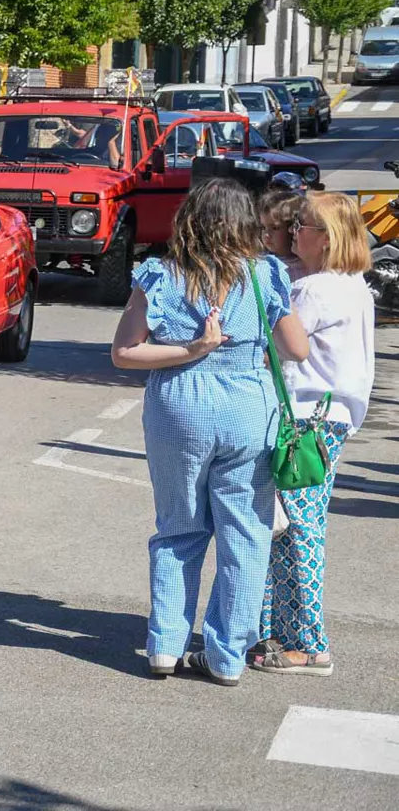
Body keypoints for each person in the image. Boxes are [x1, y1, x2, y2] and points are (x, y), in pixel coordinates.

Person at [111, 178, 309, 686]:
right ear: (245, 223)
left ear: (188, 221)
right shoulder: (265, 275)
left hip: (179, 405)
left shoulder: (160, 274)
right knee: (245, 534)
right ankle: (225, 657)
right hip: (248, 408)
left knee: (178, 528)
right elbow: (298, 350)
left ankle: (164, 648)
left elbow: (126, 353)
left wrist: (193, 350)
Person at [252, 193, 375, 677]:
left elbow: (276, 346)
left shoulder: (316, 290)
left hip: (306, 419)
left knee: (295, 529)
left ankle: (309, 642)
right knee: (295, 526)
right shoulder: (349, 283)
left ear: (325, 237)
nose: (290, 231)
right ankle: (284, 631)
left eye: (299, 224)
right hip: (331, 419)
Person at [258, 188, 304, 280]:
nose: (266, 234)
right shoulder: (261, 262)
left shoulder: (305, 264)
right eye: (263, 228)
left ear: (292, 228)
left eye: (275, 228)